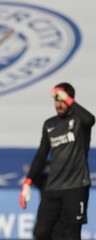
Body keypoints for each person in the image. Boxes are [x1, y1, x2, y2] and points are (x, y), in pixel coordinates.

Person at [19, 82, 95, 240]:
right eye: (56, 100)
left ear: (69, 100)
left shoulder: (80, 121)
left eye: (62, 100)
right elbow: (41, 155)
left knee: (71, 234)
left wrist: (68, 99)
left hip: (76, 186)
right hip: (53, 187)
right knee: (41, 232)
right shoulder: (50, 124)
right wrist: (27, 182)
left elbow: (90, 119)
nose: (58, 104)